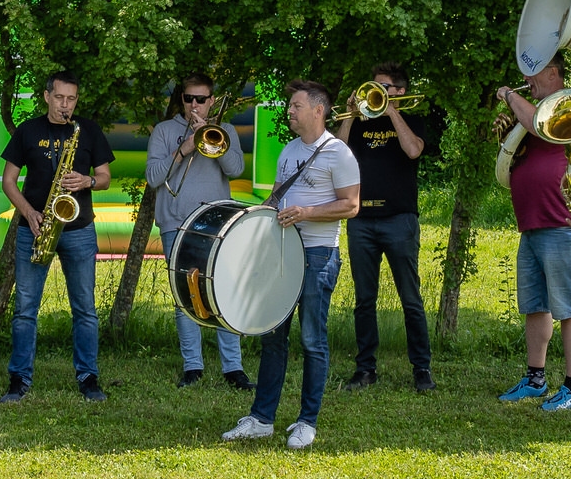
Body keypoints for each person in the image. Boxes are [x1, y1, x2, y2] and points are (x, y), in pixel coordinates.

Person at [222, 79, 362, 451]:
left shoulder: (339, 153)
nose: (290, 111)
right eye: (290, 106)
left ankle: (307, 422)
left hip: (318, 254)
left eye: (296, 106)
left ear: (319, 110)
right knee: (273, 336)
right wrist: (257, 217)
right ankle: (262, 419)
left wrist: (308, 212)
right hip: (283, 251)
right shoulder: (287, 150)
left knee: (312, 339)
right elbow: (279, 194)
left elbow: (351, 205)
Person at [0, 68, 115, 405]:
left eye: (72, 98)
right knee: (25, 309)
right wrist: (29, 212)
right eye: (60, 97)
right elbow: (9, 181)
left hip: (78, 229)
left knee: (85, 309)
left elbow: (105, 177)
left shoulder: (87, 130)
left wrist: (88, 182)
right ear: (47, 96)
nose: (66, 105)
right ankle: (19, 379)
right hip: (35, 227)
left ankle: (88, 377)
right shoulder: (28, 130)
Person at [332, 62, 440, 392]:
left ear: (400, 92)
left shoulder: (411, 119)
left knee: (411, 298)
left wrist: (393, 113)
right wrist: (350, 113)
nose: (376, 92)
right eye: (373, 87)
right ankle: (365, 369)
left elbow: (412, 150)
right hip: (362, 221)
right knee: (365, 300)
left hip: (399, 220)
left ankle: (421, 369)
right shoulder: (359, 123)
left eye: (383, 87)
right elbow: (337, 155)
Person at [493, 57, 571, 413]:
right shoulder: (533, 109)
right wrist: (507, 136)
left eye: (532, 71)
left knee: (569, 307)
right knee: (535, 306)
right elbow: (521, 143)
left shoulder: (568, 107)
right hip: (532, 223)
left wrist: (508, 96)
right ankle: (536, 378)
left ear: (553, 73)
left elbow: (537, 125)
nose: (524, 79)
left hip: (562, 223)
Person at [146, 74, 250, 389]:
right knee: (185, 294)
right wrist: (185, 148)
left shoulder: (225, 130)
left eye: (201, 100)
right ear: (182, 100)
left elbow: (236, 170)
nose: (194, 105)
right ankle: (193, 367)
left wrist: (209, 137)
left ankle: (233, 368)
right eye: (189, 99)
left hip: (216, 221)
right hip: (176, 221)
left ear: (211, 101)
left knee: (224, 291)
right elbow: (153, 177)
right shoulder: (165, 132)